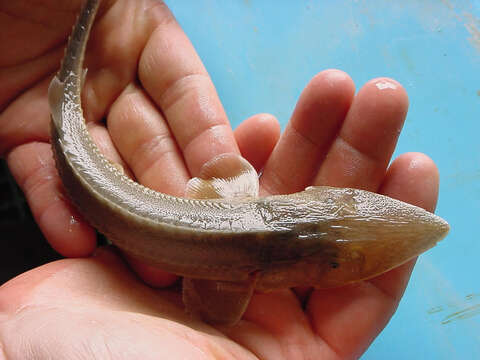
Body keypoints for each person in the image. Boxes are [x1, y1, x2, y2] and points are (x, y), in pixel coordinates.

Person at [0, 1, 440, 358]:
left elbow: (222, 173)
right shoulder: (236, 283)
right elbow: (210, 308)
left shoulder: (240, 210)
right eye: (345, 200)